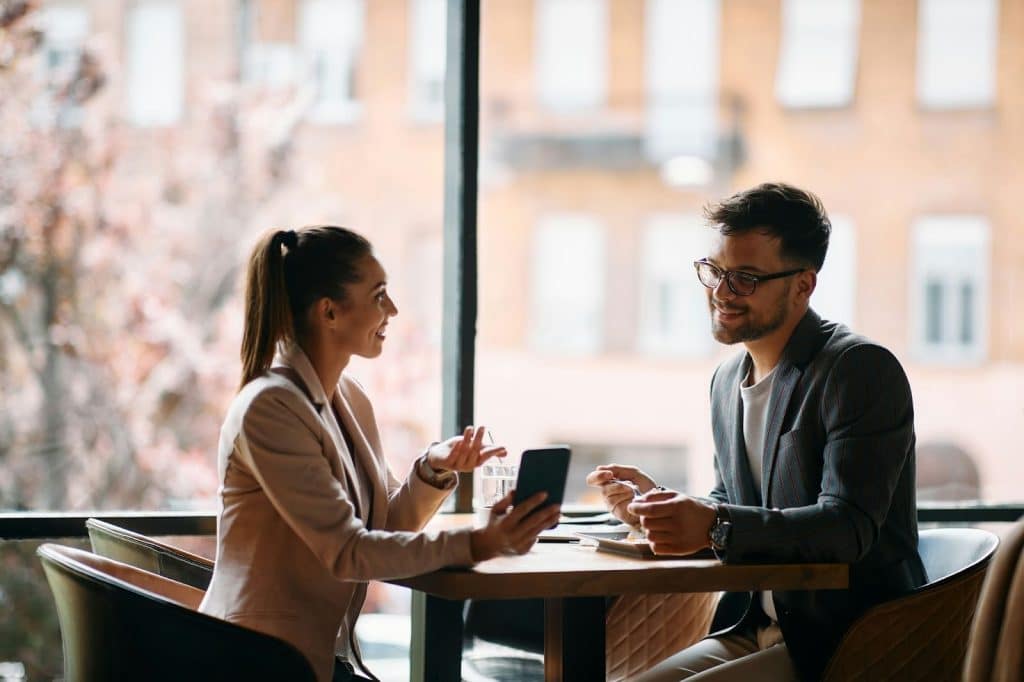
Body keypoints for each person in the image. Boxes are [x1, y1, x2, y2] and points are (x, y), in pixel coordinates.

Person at [587, 183, 925, 681]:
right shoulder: (727, 380)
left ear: (803, 285)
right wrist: (656, 508)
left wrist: (712, 523)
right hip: (754, 627)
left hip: (847, 640)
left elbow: (847, 527)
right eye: (716, 271)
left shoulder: (857, 369)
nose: (721, 292)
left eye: (745, 278)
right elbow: (734, 503)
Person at [198, 226, 560, 682]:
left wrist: (434, 469)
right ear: (329, 312)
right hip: (256, 660)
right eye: (379, 294)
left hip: (318, 660)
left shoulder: (348, 398)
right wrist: (476, 542)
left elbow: (387, 529)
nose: (392, 309)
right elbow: (349, 551)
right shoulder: (269, 409)